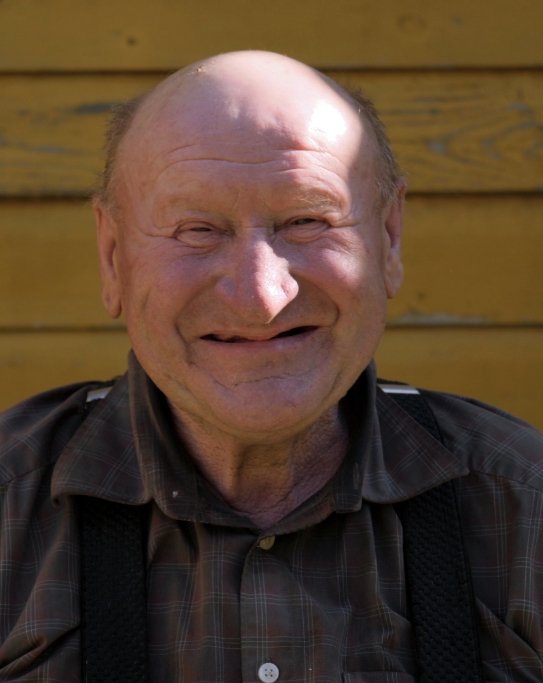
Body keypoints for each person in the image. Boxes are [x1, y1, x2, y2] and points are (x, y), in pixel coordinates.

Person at [0, 50, 542, 682]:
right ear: (113, 255)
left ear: (389, 239)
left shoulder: (525, 510)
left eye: (308, 221)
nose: (260, 297)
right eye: (197, 230)